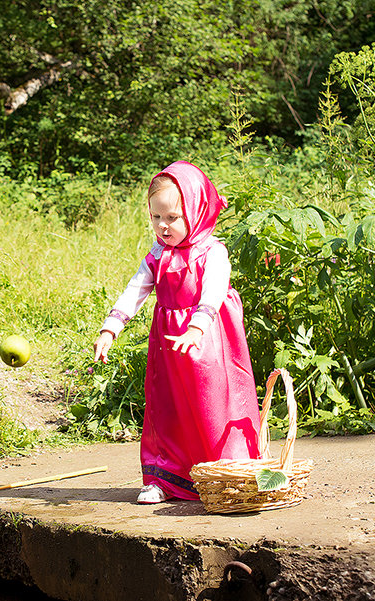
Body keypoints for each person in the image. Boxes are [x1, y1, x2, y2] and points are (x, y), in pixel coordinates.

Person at [93, 161, 261, 504]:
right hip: (169, 347)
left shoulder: (212, 251)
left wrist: (197, 326)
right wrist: (111, 328)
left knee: (211, 406)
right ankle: (164, 478)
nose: (163, 226)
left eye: (172, 218)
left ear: (197, 210)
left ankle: (226, 472)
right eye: (156, 218)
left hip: (210, 341)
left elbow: (214, 290)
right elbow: (136, 288)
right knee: (167, 408)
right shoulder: (159, 253)